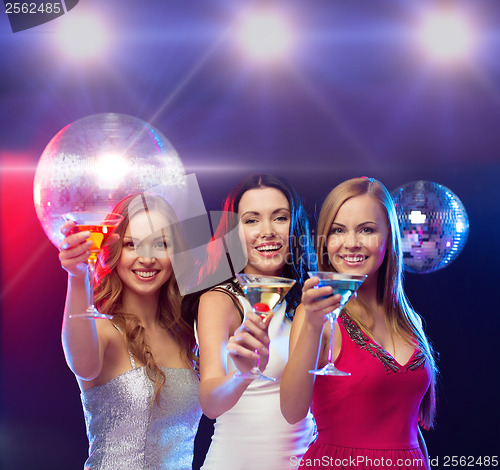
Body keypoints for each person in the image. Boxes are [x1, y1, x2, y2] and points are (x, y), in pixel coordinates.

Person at [281, 177, 437, 470]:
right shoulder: (317, 315)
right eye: (338, 230)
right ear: (326, 240)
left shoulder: (408, 319)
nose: (351, 243)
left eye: (366, 229)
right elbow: (292, 411)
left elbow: (411, 428)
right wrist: (313, 326)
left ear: (389, 237)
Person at [58, 193, 202, 470]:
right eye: (131, 245)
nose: (146, 258)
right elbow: (83, 366)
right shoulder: (103, 330)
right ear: (113, 251)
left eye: (160, 244)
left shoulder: (186, 335)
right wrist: (77, 275)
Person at [185, 174, 317, 469]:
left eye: (280, 218)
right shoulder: (220, 301)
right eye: (252, 220)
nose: (267, 231)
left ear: (294, 228)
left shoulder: (308, 301)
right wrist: (243, 375)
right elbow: (210, 402)